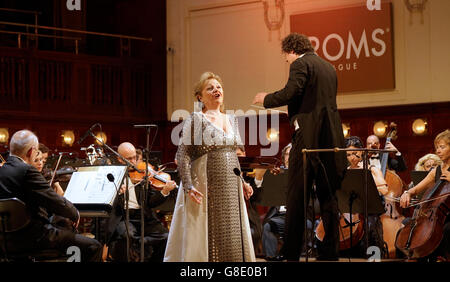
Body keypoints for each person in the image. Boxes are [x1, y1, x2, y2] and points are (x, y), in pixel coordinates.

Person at [252, 33, 347, 261]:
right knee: (328, 196)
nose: (287, 61)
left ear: (291, 51)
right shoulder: (328, 67)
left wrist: (265, 98)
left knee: (296, 195)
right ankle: (330, 252)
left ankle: (291, 252)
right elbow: (314, 101)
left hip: (307, 138)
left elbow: (291, 91)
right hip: (330, 138)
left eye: (286, 57)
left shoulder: (300, 63)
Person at [164, 71, 255, 262]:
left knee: (231, 233)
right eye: (210, 88)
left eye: (219, 87)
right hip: (205, 185)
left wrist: (243, 182)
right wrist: (188, 186)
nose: (216, 90)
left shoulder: (231, 119)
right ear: (200, 97)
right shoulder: (196, 119)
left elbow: (235, 157)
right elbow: (182, 154)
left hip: (231, 188)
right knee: (209, 234)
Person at [0, 130, 103, 261]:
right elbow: (54, 201)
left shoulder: (2, 171)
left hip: (6, 240)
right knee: (93, 246)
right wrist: (74, 213)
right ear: (31, 152)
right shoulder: (27, 171)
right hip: (35, 238)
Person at [104, 142, 177, 262]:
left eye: (135, 157)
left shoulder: (142, 175)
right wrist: (116, 193)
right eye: (129, 159)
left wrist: (164, 191)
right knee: (128, 236)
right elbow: (104, 200)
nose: (133, 161)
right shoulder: (112, 176)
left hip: (143, 216)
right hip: (123, 217)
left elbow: (151, 202)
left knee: (166, 237)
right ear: (120, 159)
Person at [400, 129, 450, 261]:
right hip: (438, 215)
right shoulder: (436, 171)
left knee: (446, 230)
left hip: (448, 217)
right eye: (437, 147)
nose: (438, 150)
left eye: (442, 147)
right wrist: (407, 193)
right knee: (408, 224)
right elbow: (415, 189)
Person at [343, 136, 387, 257]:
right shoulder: (345, 171)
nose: (352, 157)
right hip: (351, 213)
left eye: (354, 153)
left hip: (369, 213)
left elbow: (384, 190)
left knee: (370, 225)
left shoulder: (372, 170)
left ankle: (374, 256)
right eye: (348, 155)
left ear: (362, 151)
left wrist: (370, 181)